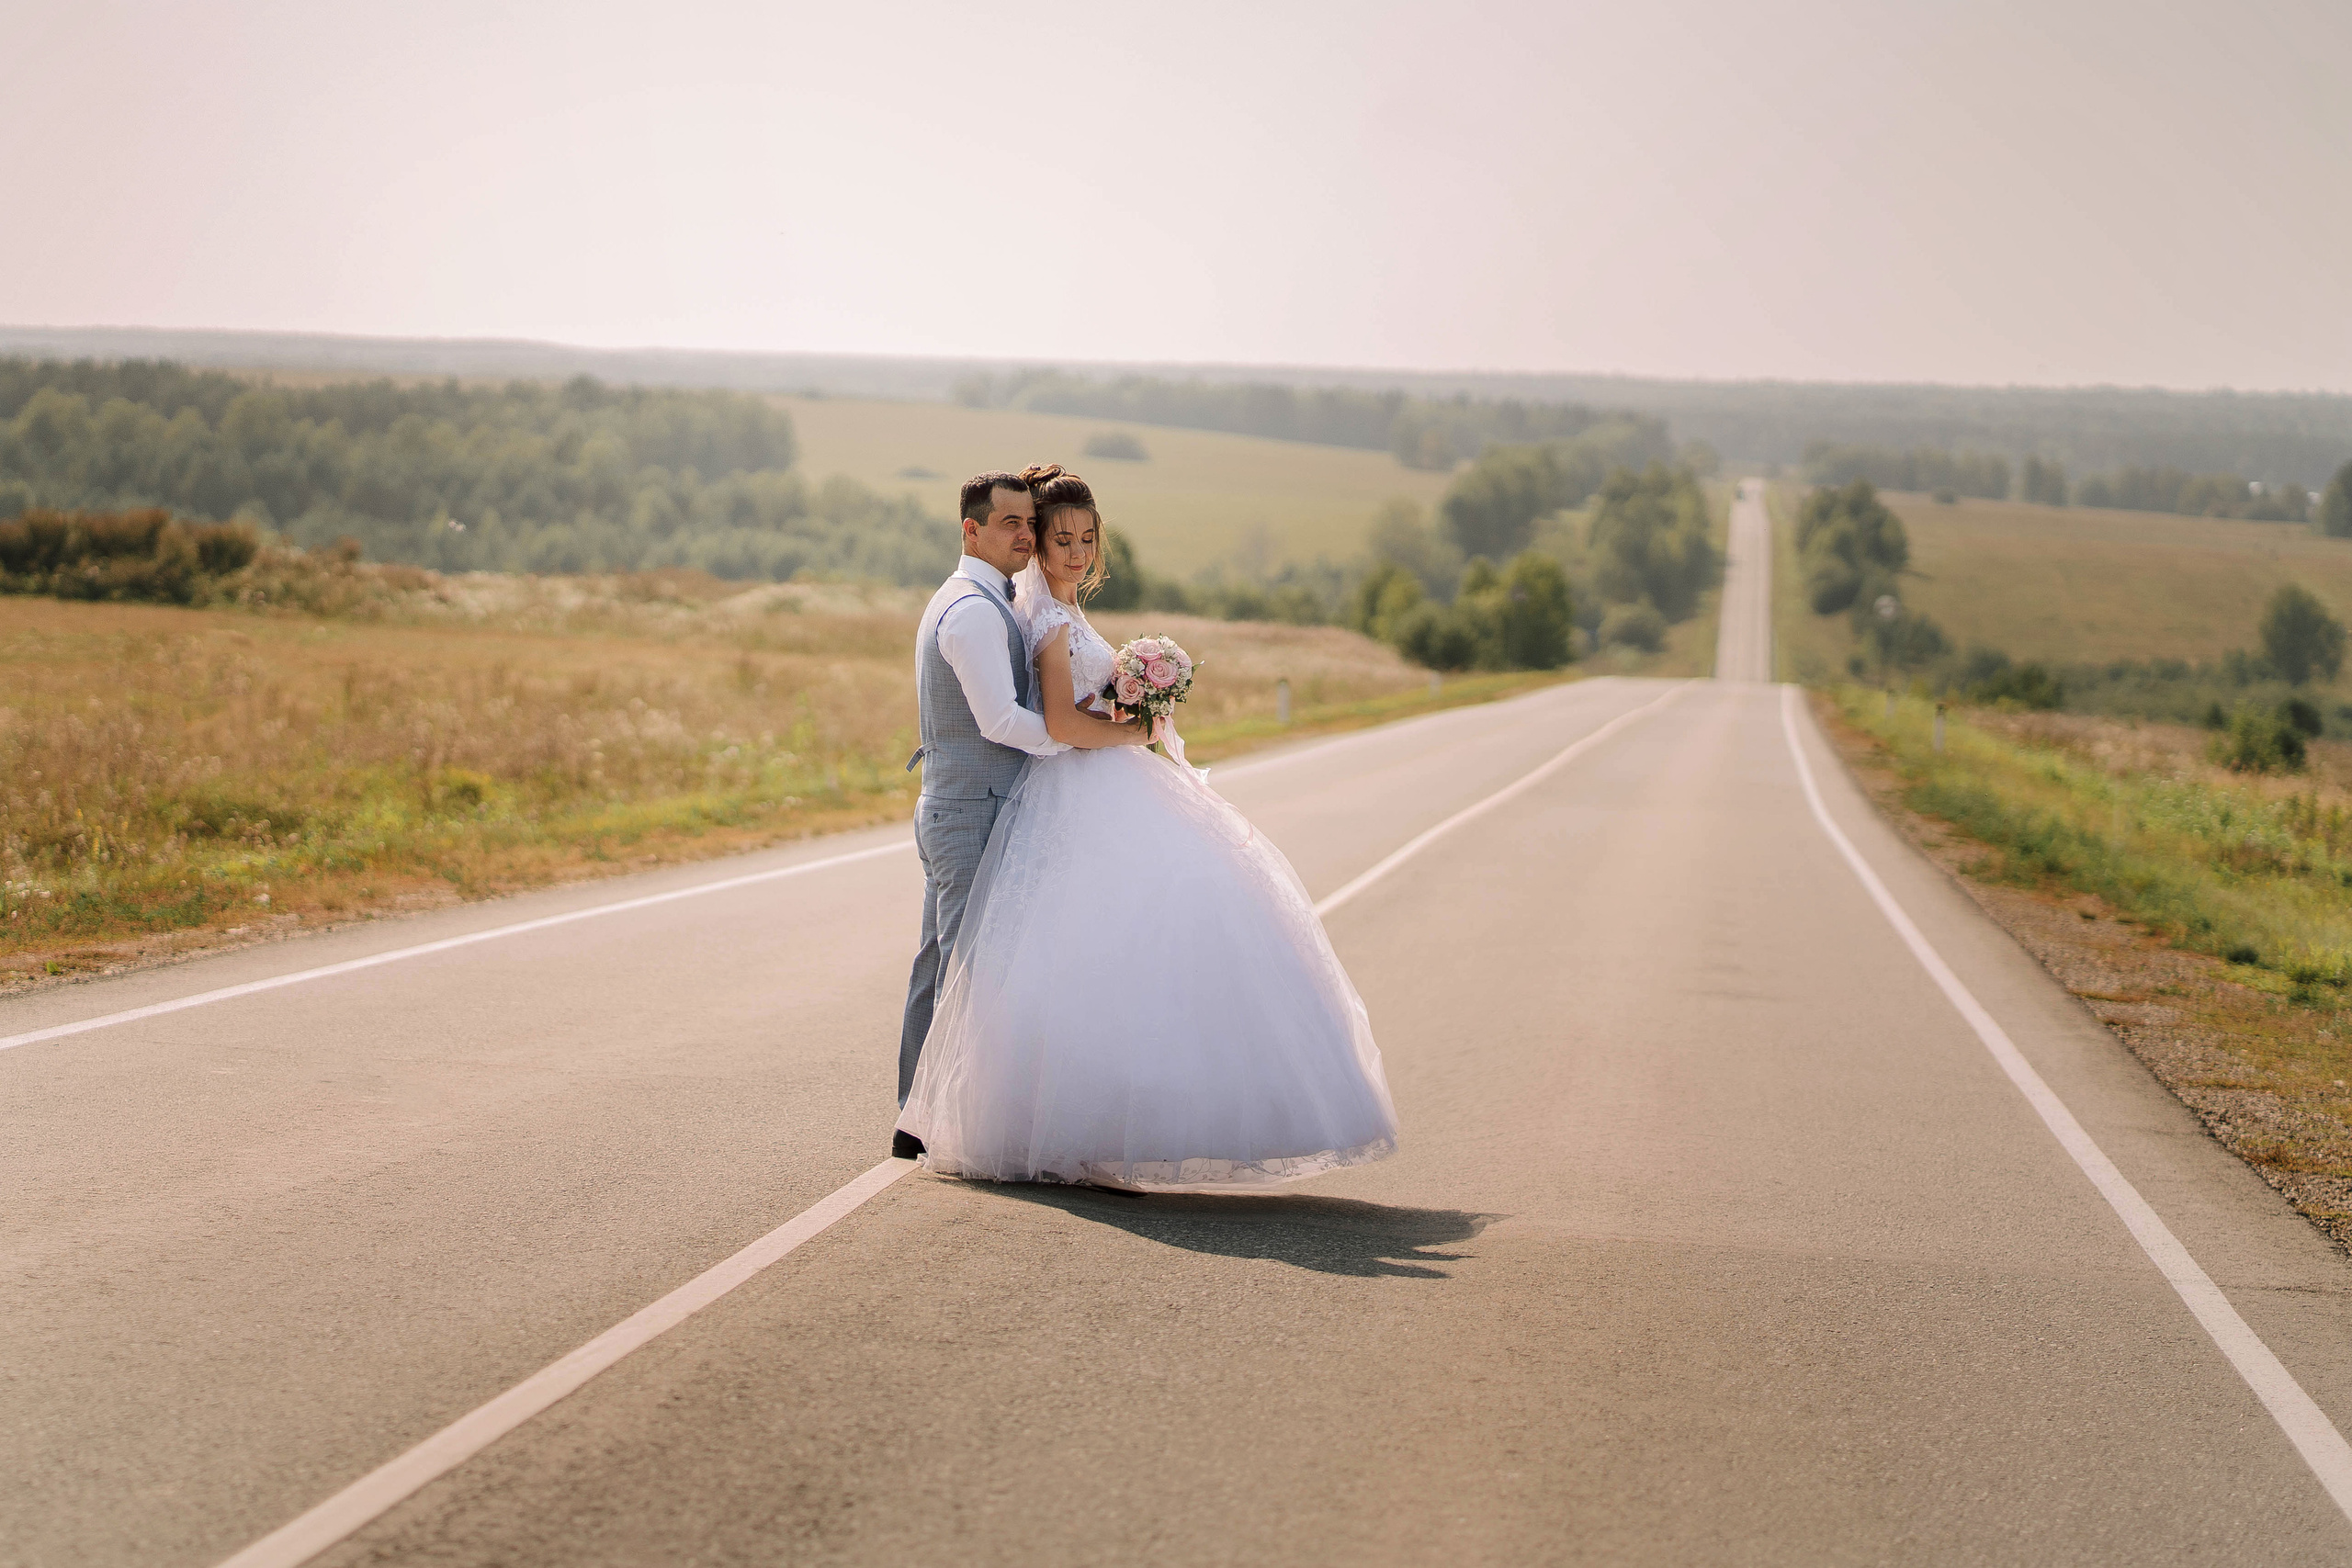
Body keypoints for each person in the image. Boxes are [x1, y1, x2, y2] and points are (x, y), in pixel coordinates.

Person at [897, 468, 1397, 1192]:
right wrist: (1128, 730)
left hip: (1072, 783)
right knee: (985, 959)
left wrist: (1135, 706)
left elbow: (1067, 711)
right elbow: (1046, 720)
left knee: (1030, 950)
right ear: (1005, 537)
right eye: (1054, 536)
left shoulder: (1027, 606)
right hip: (1042, 788)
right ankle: (940, 1116)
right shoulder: (1012, 614)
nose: (1069, 549)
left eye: (1083, 538)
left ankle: (936, 1114)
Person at [893, 468, 1148, 1158]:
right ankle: (949, 1119)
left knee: (938, 962)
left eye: (1027, 524)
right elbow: (1003, 719)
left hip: (967, 804)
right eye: (1011, 523)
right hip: (969, 808)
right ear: (971, 529)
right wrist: (1074, 739)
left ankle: (914, 1117)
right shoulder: (974, 609)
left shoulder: (993, 599)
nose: (1025, 535)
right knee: (968, 963)